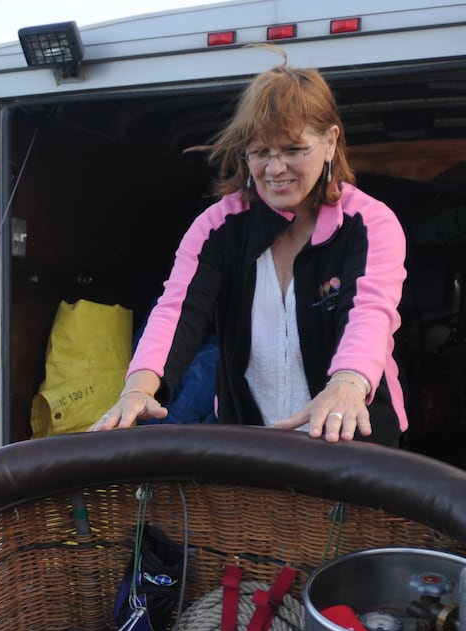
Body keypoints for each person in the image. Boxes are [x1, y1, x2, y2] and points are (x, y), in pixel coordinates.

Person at [91, 56, 407, 444]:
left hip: (352, 438)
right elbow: (177, 308)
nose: (275, 169)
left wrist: (348, 382)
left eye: (293, 149)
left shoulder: (370, 223)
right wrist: (138, 389)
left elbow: (370, 313)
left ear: (330, 142)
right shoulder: (217, 227)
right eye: (260, 153)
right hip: (250, 441)